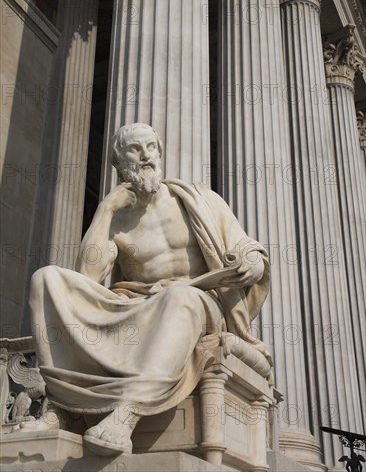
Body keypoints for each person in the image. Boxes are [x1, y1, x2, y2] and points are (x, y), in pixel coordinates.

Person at [29, 123, 270, 456]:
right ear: (119, 164)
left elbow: (247, 246)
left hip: (200, 302)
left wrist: (253, 262)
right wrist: (106, 209)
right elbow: (86, 276)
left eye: (150, 147)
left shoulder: (200, 200)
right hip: (137, 306)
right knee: (46, 278)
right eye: (134, 149)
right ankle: (65, 403)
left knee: (179, 296)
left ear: (159, 152)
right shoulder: (116, 218)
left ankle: (128, 411)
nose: (145, 156)